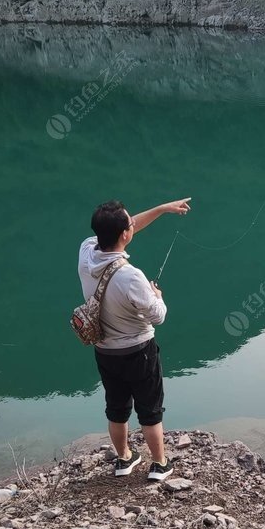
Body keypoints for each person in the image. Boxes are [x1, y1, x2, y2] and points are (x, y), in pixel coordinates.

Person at [78, 197, 191, 479]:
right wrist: (157, 296)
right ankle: (160, 465)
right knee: (150, 409)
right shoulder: (131, 277)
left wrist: (162, 209)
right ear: (124, 234)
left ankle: (124, 458)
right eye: (130, 224)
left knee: (116, 407)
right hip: (139, 352)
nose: (133, 226)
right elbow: (158, 316)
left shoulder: (86, 253)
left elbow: (124, 228)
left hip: (105, 351)